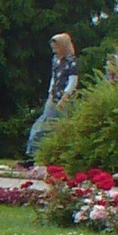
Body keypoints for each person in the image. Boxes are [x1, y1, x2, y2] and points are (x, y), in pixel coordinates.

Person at [19, 32, 78, 169]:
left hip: (64, 100)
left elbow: (72, 82)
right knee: (41, 125)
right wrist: (50, 92)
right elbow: (54, 77)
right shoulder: (55, 60)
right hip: (53, 97)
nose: (54, 50)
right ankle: (34, 155)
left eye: (56, 47)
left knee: (57, 128)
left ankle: (53, 157)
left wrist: (64, 98)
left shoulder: (72, 62)